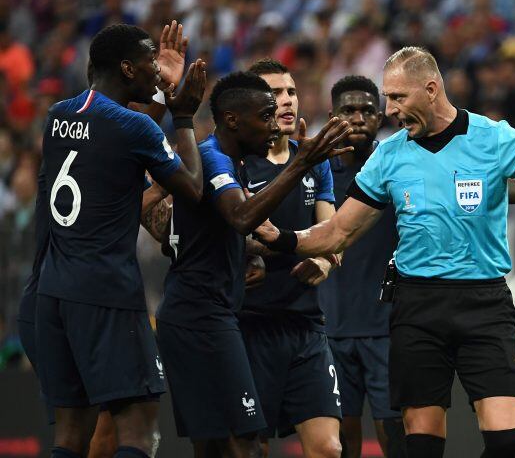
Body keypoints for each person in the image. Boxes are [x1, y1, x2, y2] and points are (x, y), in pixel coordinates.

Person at [256, 46, 515, 458]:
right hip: (417, 306)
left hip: (485, 303)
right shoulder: (389, 155)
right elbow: (339, 230)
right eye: (388, 98)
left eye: (398, 98)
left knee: (507, 442)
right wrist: (282, 238)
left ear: (431, 89)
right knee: (419, 446)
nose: (391, 110)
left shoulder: (496, 138)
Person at [155, 71, 352, 458]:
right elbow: (242, 219)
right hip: (215, 318)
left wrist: (259, 254)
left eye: (291, 93)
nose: (279, 111)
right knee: (237, 444)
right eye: (267, 108)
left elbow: (328, 232)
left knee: (230, 445)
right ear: (234, 118)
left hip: (277, 321)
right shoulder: (213, 156)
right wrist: (301, 164)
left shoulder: (239, 161)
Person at [35, 23, 208, 458]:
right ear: (128, 68)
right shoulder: (134, 129)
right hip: (107, 290)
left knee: (70, 435)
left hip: (54, 291)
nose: (157, 69)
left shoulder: (58, 116)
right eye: (151, 62)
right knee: (139, 429)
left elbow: (121, 144)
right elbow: (192, 187)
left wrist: (156, 96)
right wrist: (182, 113)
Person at [237, 58, 343, 458]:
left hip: (305, 326)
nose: (286, 102)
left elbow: (332, 232)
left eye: (291, 92)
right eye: (274, 94)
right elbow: (243, 234)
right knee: (252, 449)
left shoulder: (314, 159)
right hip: (250, 326)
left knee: (329, 449)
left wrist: (326, 259)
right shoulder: (236, 163)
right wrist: (311, 245)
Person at [318, 75, 405, 458]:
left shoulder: (397, 168)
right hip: (330, 328)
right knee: (342, 438)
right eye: (347, 110)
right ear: (332, 115)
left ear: (381, 116)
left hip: (385, 327)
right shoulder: (315, 173)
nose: (357, 118)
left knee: (394, 432)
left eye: (367, 111)